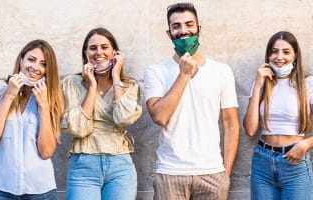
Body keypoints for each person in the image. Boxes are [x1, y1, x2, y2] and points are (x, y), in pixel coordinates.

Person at [144, 3, 239, 200]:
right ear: (169, 33)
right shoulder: (156, 71)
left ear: (199, 29)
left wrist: (225, 174)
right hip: (170, 173)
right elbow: (160, 117)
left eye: (189, 24)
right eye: (176, 26)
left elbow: (231, 124)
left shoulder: (221, 71)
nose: (183, 30)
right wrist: (184, 75)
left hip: (212, 173)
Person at [61, 27, 142, 200]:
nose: (99, 52)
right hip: (84, 165)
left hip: (121, 166)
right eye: (93, 48)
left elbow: (123, 119)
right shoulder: (71, 83)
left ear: (115, 52)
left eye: (104, 47)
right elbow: (79, 129)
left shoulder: (129, 85)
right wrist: (92, 87)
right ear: (86, 53)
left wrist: (116, 77)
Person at [243, 31, 313, 200]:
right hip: (262, 163)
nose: (279, 57)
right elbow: (250, 130)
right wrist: (258, 84)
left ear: (295, 55)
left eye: (286, 52)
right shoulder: (261, 84)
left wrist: (306, 144)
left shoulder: (308, 84)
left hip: (295, 164)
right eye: (274, 51)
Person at [0, 39, 64, 199]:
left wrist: (44, 106)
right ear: (21, 60)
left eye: (43, 64)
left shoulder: (53, 98)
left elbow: (46, 152)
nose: (35, 67)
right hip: (0, 189)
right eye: (31, 59)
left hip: (40, 191)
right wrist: (9, 96)